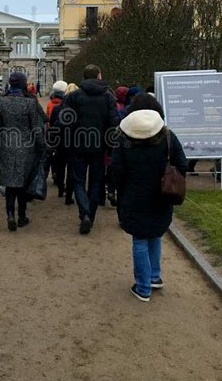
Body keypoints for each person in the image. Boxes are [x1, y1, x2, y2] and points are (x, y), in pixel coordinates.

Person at [112, 104, 187, 302]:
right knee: (154, 234)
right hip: (162, 195)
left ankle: (143, 286)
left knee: (140, 238)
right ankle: (154, 276)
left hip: (134, 195)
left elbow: (116, 171)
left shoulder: (125, 142)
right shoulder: (168, 138)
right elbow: (182, 164)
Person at [60, 64, 119, 234]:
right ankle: (90, 215)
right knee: (95, 182)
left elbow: (65, 121)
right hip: (99, 146)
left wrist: (68, 142)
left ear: (84, 77)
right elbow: (113, 124)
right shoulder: (108, 97)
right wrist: (110, 145)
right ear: (99, 76)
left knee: (78, 180)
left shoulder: (74, 96)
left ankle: (84, 212)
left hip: (78, 144)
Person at [0, 72, 44, 231]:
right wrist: (43, 146)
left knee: (10, 184)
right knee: (22, 184)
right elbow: (36, 128)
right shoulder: (30, 103)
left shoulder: (2, 102)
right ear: (23, 84)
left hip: (7, 145)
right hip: (26, 147)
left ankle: (10, 215)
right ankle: (21, 217)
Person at [48, 82, 78, 202]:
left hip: (60, 142)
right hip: (74, 142)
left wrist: (52, 140)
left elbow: (53, 125)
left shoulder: (57, 108)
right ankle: (69, 196)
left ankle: (61, 188)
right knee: (71, 169)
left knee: (60, 167)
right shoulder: (79, 109)